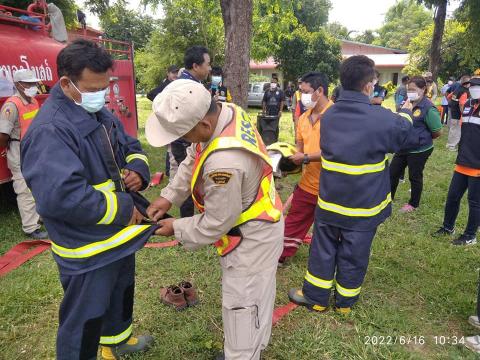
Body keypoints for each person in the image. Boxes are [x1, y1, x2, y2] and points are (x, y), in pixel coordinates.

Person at [20, 39, 156, 360]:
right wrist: (125, 208)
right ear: (66, 83)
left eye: (105, 87)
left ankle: (118, 342)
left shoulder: (96, 112)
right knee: (85, 318)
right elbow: (63, 198)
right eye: (93, 88)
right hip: (87, 248)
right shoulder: (50, 130)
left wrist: (138, 167)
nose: (102, 96)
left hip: (117, 237)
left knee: (119, 296)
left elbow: (129, 145)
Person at [145, 79, 284, 360]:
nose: (183, 141)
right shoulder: (225, 112)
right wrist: (169, 196)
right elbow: (193, 157)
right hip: (261, 223)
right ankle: (251, 348)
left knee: (242, 307)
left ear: (203, 126)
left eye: (183, 135)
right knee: (258, 298)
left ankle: (242, 354)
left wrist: (176, 227)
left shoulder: (225, 164)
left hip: (251, 238)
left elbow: (217, 222)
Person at [288, 55, 419, 314]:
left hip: (329, 201)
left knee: (322, 248)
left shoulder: (331, 114)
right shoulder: (381, 118)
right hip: (363, 207)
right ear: (369, 85)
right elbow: (404, 137)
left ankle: (315, 297)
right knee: (354, 253)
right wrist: (405, 113)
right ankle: (344, 304)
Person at [279, 72, 332, 264]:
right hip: (307, 183)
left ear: (320, 90)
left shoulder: (337, 116)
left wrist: (306, 157)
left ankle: (322, 261)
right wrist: (287, 165)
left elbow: (338, 152)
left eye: (305, 91)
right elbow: (299, 151)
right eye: (300, 92)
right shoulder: (302, 119)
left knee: (327, 229)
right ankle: (282, 254)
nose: (302, 96)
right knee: (293, 221)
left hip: (332, 188)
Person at [0, 69, 47, 239]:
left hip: (34, 150)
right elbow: (2, 135)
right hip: (18, 152)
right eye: (28, 83)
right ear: (18, 85)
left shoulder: (33, 100)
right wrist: (10, 150)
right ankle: (30, 227)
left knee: (37, 185)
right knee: (24, 190)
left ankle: (40, 216)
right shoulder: (11, 105)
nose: (33, 86)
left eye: (33, 83)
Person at [433, 77, 480, 246]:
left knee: (475, 202)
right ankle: (448, 227)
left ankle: (470, 235)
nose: (474, 89)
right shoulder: (467, 105)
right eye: (472, 86)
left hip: (477, 165)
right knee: (453, 197)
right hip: (463, 160)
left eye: (477, 86)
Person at [389, 76, 442, 213]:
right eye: (408, 89)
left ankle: (413, 204)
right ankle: (388, 199)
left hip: (419, 149)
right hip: (402, 147)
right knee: (392, 173)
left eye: (413, 89)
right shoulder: (406, 103)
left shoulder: (429, 108)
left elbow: (437, 132)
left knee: (415, 176)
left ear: (423, 89)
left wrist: (419, 139)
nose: (410, 92)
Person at [170, 45, 212, 217]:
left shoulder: (191, 84)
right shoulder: (187, 88)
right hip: (185, 142)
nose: (209, 68)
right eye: (207, 64)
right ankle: (186, 220)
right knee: (188, 178)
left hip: (189, 141)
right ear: (196, 66)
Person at [446, 75, 470, 151]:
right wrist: (463, 113)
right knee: (456, 130)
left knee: (453, 129)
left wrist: (452, 104)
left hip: (453, 111)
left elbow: (449, 96)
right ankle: (452, 146)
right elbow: (461, 104)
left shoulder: (457, 89)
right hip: (458, 114)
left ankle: (449, 144)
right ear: (467, 83)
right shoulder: (465, 91)